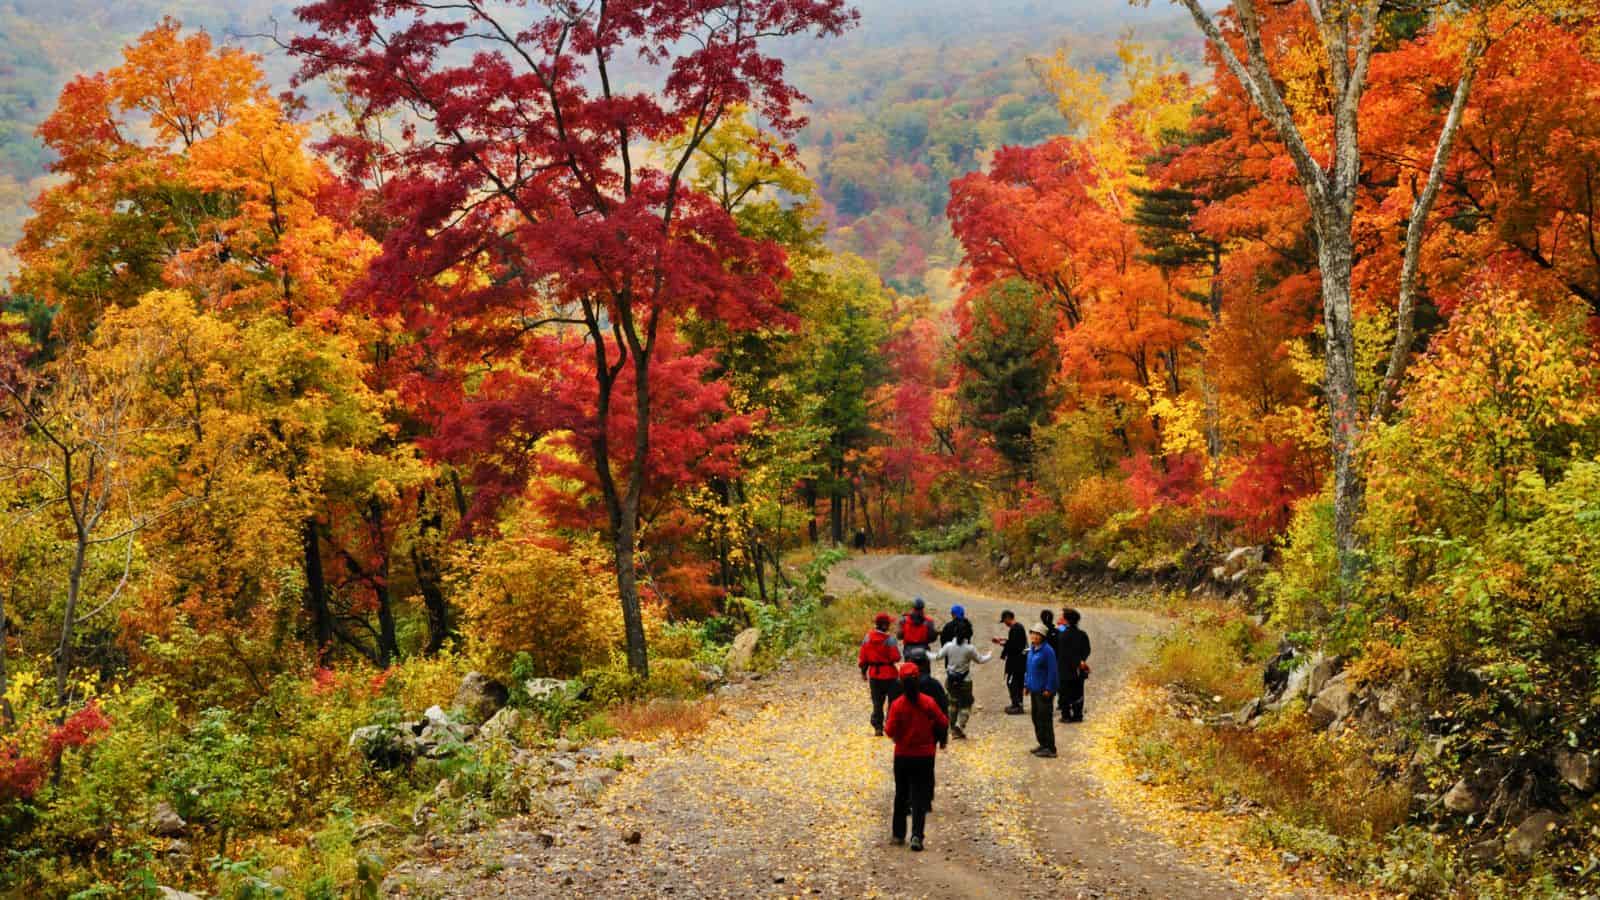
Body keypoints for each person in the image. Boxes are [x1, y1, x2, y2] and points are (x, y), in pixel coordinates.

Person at [884, 661, 949, 852]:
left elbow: (889, 731)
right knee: (920, 796)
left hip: (903, 755)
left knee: (901, 794)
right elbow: (943, 721)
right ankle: (917, 836)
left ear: (901, 683)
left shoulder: (897, 705)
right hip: (925, 755)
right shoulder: (928, 702)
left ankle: (898, 834)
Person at [935, 630, 992, 739]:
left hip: (951, 680)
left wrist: (926, 654)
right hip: (965, 680)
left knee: (952, 703)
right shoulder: (969, 648)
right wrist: (989, 655)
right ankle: (959, 725)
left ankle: (952, 729)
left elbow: (938, 656)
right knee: (966, 704)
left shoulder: (948, 646)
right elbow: (980, 660)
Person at [858, 612, 902, 736]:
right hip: (890, 675)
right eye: (888, 623)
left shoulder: (867, 638)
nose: (889, 625)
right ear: (884, 625)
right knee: (893, 702)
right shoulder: (890, 640)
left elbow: (863, 657)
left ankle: (878, 727)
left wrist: (863, 672)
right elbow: (896, 657)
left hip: (874, 675)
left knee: (877, 703)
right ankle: (890, 725)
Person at [1024, 622, 1058, 757]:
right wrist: (1026, 685)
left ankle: (1050, 748)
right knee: (1036, 718)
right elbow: (1028, 669)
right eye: (1033, 633)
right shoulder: (1032, 649)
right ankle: (1042, 744)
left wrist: (1049, 688)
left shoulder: (1048, 651)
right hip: (1034, 690)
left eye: (1038, 634)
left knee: (1045, 719)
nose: (1034, 636)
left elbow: (1053, 671)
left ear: (1043, 636)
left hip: (1044, 691)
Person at [1057, 608, 1092, 723]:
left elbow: (1062, 654)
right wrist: (1081, 661)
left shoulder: (1062, 636)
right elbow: (1087, 649)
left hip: (1065, 670)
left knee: (1064, 693)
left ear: (1066, 620)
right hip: (1079, 670)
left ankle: (1066, 715)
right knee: (1078, 692)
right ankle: (1078, 714)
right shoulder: (1082, 634)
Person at [993, 610, 1027, 714]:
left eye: (1005, 620)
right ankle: (1018, 704)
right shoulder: (1018, 627)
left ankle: (1016, 705)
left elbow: (1014, 646)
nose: (1005, 623)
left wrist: (1002, 645)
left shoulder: (1015, 629)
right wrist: (1002, 641)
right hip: (1020, 661)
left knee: (1012, 683)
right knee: (1018, 683)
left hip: (1015, 662)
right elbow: (1014, 642)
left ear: (1008, 618)